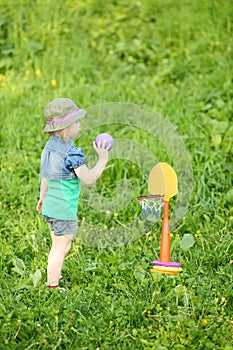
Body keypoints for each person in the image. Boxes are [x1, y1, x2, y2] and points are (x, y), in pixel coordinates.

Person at [37, 98, 109, 290]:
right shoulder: (71, 152)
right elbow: (88, 178)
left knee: (60, 245)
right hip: (63, 209)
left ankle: (54, 272)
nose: (79, 124)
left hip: (51, 205)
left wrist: (42, 197)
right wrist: (103, 159)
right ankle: (52, 284)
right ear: (66, 127)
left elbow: (45, 176)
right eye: (76, 121)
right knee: (60, 248)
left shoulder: (48, 148)